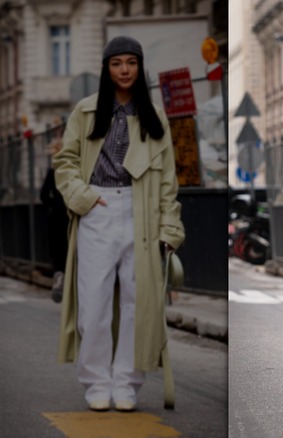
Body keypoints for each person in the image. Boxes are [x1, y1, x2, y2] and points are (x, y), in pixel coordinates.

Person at [54, 36, 185, 412]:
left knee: (137, 304)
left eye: (131, 63)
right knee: (93, 304)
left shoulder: (154, 115)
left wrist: (170, 228)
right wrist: (84, 198)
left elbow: (167, 181)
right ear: (106, 68)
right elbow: (65, 163)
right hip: (97, 207)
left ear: (139, 67)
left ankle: (127, 383)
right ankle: (96, 382)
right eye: (117, 63)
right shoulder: (85, 111)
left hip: (142, 212)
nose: (124, 70)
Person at [40, 124, 69, 303]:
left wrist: (52, 205)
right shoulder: (74, 169)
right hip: (72, 213)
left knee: (57, 251)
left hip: (56, 216)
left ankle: (59, 276)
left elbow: (43, 195)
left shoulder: (53, 170)